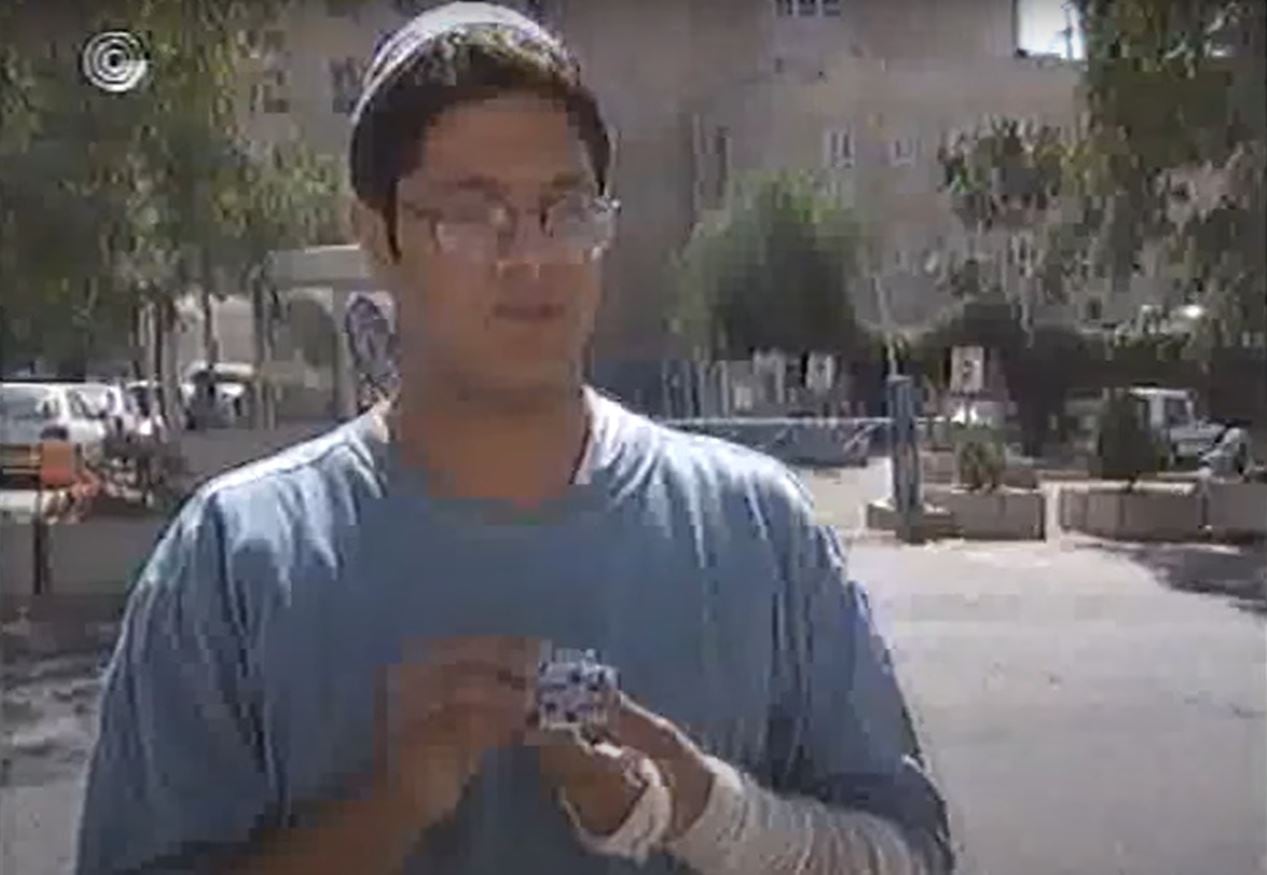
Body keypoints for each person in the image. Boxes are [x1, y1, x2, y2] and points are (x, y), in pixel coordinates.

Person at [76, 4, 953, 873]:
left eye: (565, 211)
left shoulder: (757, 530)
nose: (531, 258)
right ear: (376, 236)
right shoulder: (237, 561)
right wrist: (391, 806)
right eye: (471, 213)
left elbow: (909, 853)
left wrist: (695, 806)